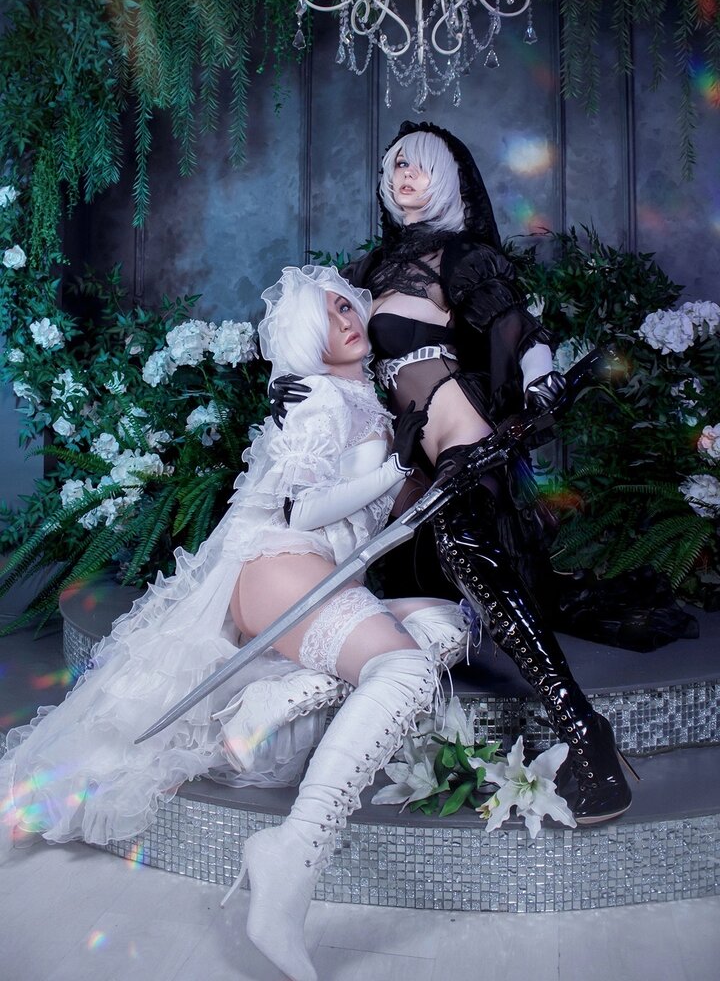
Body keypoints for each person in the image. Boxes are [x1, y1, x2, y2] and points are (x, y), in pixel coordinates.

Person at [1, 264, 467, 981]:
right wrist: (396, 466)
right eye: (329, 312)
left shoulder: (356, 395)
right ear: (306, 334)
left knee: (449, 622)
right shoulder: (318, 396)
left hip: (314, 576)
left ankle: (286, 693)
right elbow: (301, 510)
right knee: (403, 666)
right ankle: (293, 855)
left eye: (349, 306)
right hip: (282, 564)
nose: (347, 319)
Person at [272, 123, 636, 827]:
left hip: (453, 425)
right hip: (399, 452)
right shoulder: (370, 266)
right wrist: (288, 380)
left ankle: (584, 731)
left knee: (469, 551)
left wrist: (542, 378)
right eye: (395, 166)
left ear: (446, 176)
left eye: (419, 165)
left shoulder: (462, 256)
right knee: (401, 568)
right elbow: (327, 342)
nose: (404, 176)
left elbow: (520, 331)